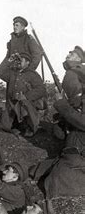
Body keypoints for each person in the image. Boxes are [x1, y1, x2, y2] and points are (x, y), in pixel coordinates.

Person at [29, 46, 85, 197]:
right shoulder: (75, 73)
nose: (68, 54)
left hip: (79, 145)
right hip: (75, 136)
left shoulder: (75, 73)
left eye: (72, 54)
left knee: (59, 177)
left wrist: (62, 104)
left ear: (80, 59)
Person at [0, 52, 47, 137]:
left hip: (26, 104)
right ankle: (15, 126)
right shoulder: (13, 73)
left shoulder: (32, 75)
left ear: (28, 62)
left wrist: (26, 96)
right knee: (4, 127)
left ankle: (29, 127)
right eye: (17, 60)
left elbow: (41, 90)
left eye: (21, 60)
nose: (18, 62)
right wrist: (9, 60)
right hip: (12, 104)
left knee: (24, 108)